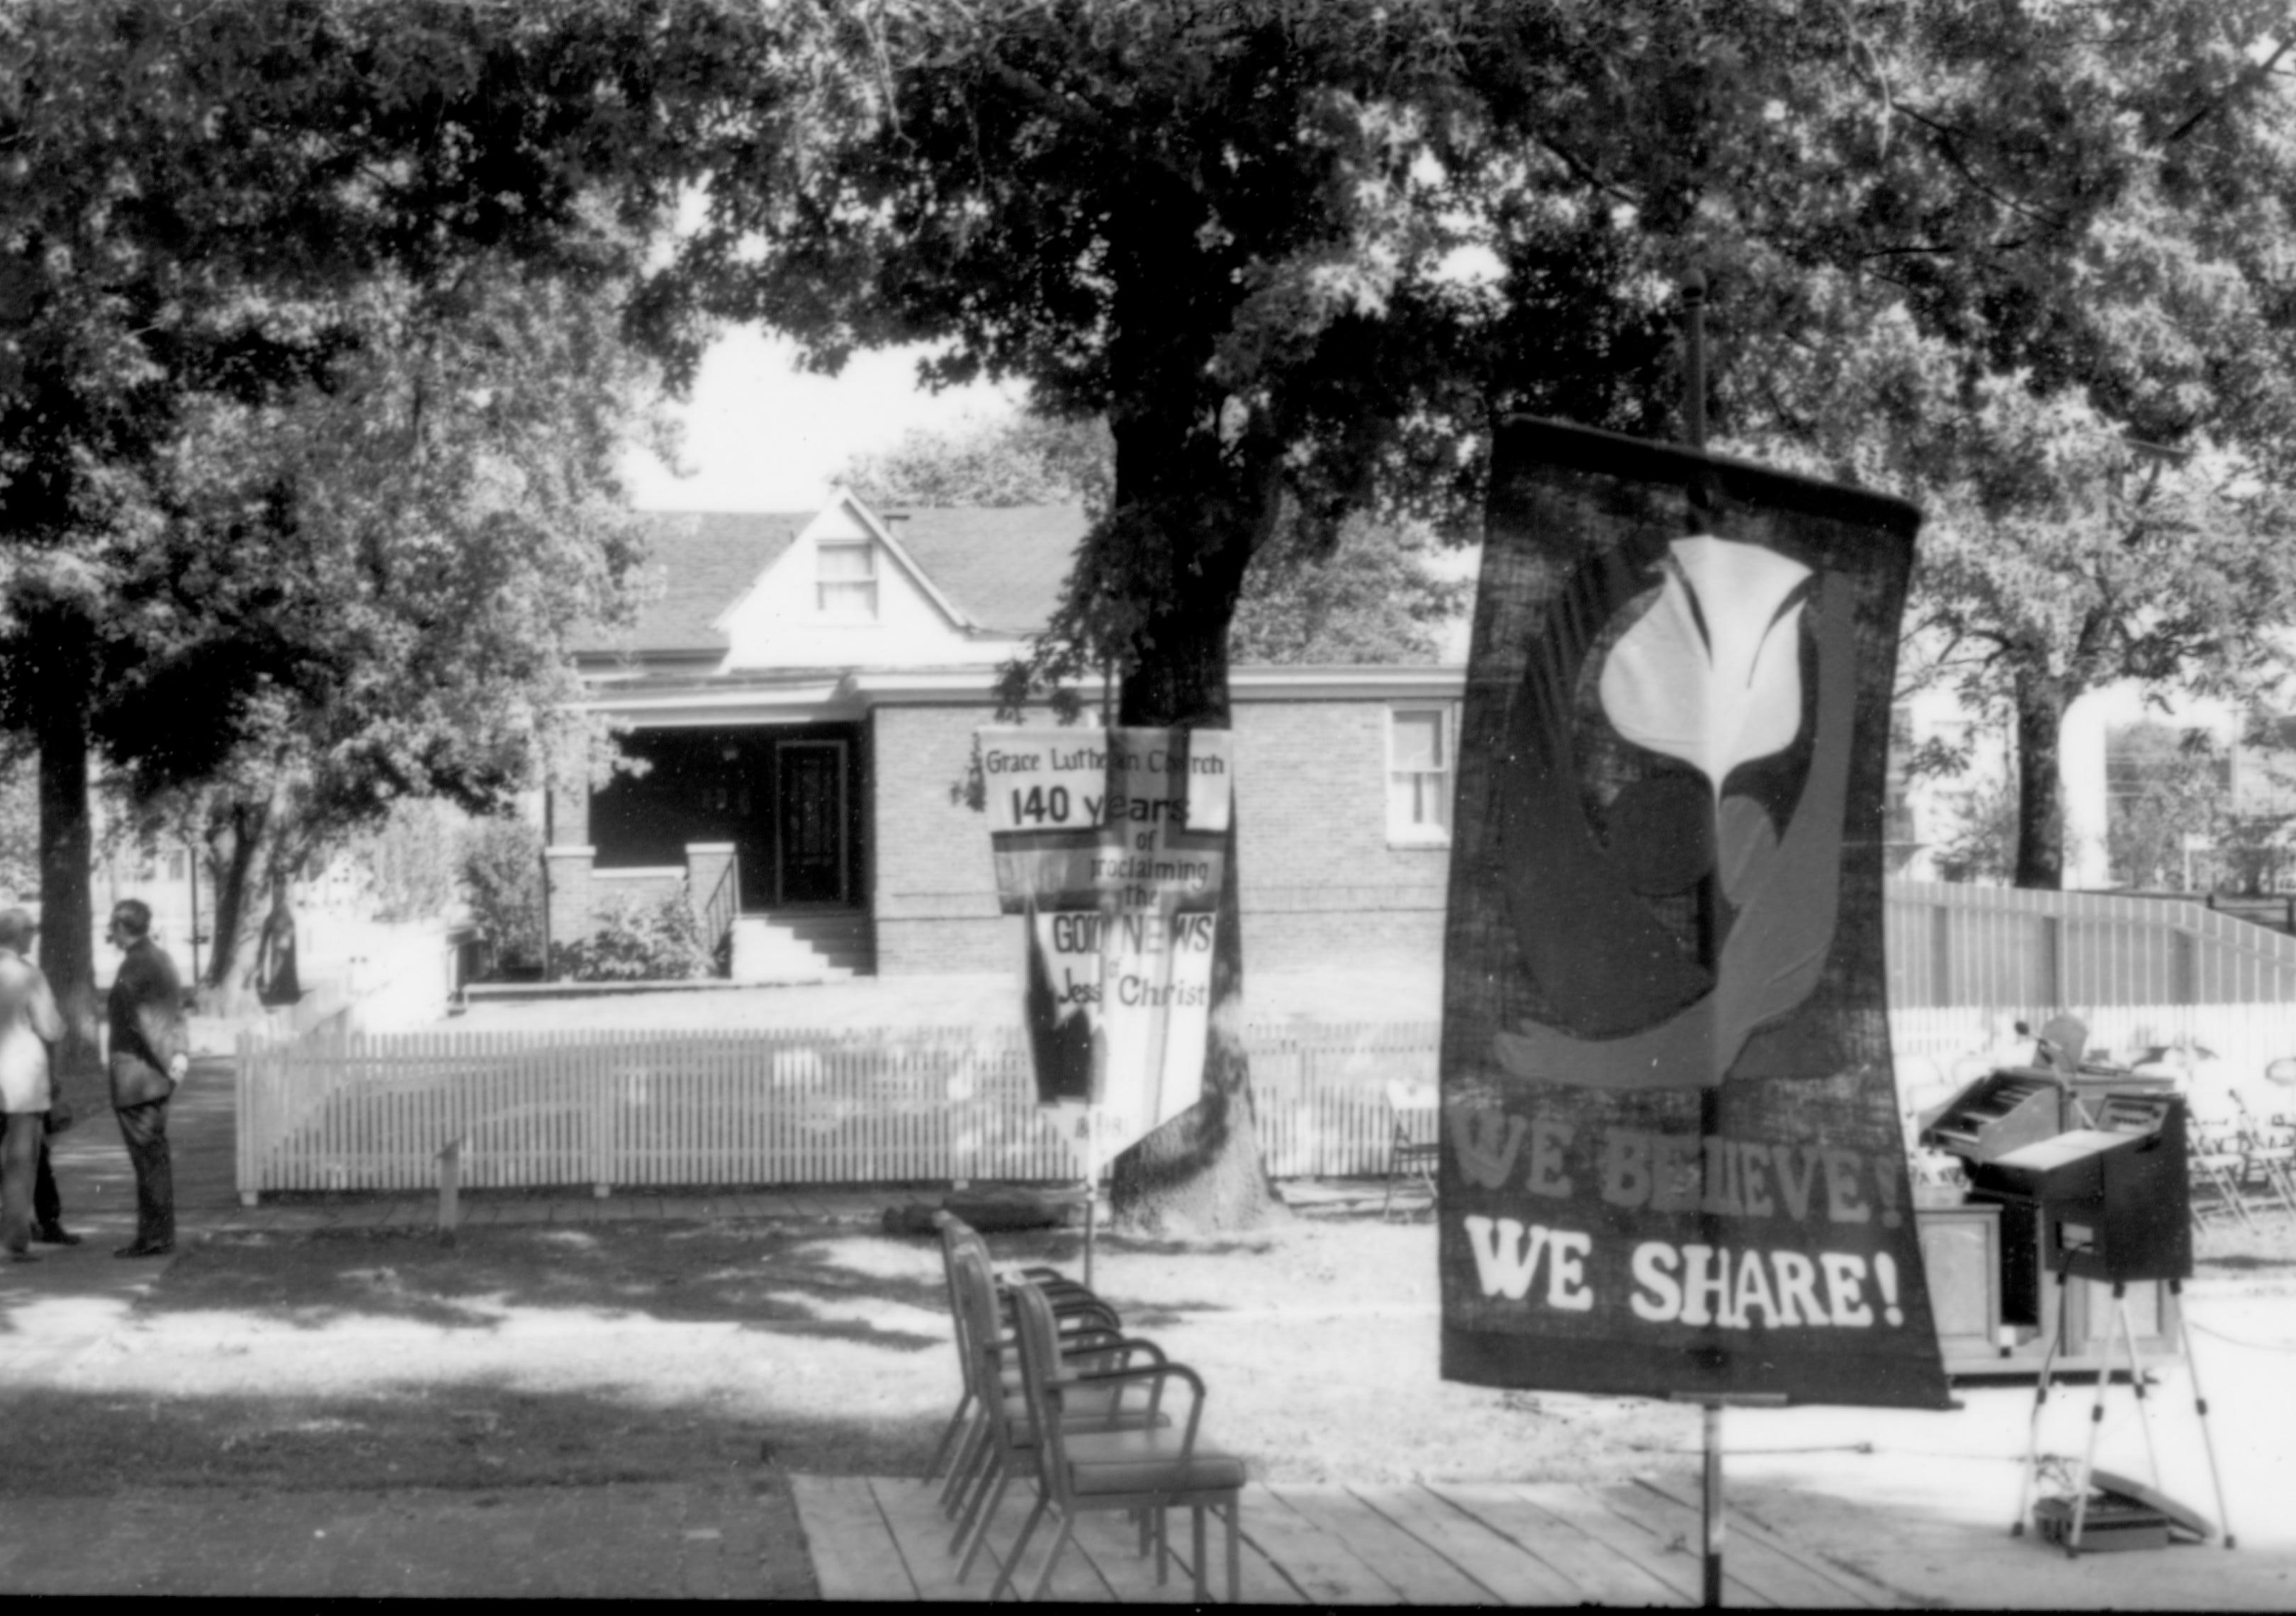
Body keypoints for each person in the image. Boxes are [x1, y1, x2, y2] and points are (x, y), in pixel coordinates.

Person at [106, 899, 189, 1259]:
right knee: (155, 1157)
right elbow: (176, 1010)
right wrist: (181, 1054)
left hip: (138, 1079)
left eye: (113, 925)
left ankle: (154, 1237)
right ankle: (159, 1234)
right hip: (156, 1077)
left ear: (122, 926)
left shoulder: (133, 967)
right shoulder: (161, 958)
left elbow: (147, 1023)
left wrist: (171, 1059)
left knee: (148, 1160)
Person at [0, 906, 64, 1261]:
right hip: (21, 1081)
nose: (34, 934)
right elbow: (51, 1027)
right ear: (21, 933)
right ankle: (14, 1241)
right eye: (32, 929)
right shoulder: (29, 975)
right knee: (21, 1162)